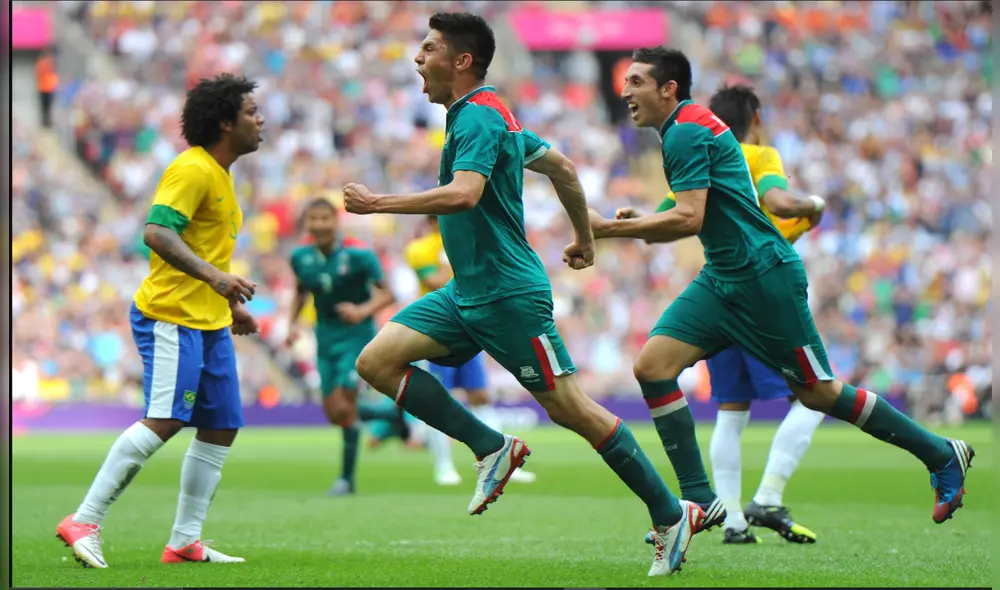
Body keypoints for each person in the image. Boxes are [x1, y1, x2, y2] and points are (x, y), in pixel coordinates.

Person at [344, 12, 701, 577]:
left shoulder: (480, 120)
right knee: (377, 361)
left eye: (429, 48)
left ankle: (669, 513)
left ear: (461, 61)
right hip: (467, 293)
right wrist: (585, 235)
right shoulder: (491, 114)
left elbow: (465, 194)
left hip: (508, 295)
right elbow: (560, 165)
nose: (417, 58)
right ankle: (491, 447)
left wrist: (378, 204)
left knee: (572, 409)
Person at [588, 48, 975, 537]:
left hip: (763, 278)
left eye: (637, 82)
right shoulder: (687, 127)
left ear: (669, 89)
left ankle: (942, 453)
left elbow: (689, 217)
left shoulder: (685, 131)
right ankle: (702, 502)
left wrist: (606, 230)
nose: (625, 93)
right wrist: (634, 224)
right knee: (653, 367)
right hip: (724, 277)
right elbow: (684, 216)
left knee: (817, 393)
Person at [56, 73, 265, 568]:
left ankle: (185, 541)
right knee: (169, 416)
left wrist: (228, 304)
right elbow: (156, 233)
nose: (261, 121)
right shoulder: (192, 169)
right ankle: (84, 518)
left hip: (208, 320)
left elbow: (199, 244)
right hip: (171, 316)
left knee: (221, 425)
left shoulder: (221, 173)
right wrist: (217, 279)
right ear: (224, 121)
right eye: (252, 112)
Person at [639, 85, 825, 545]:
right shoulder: (759, 156)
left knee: (731, 410)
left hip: (719, 296)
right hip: (761, 296)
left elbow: (668, 215)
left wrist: (622, 222)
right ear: (755, 118)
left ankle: (733, 522)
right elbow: (781, 206)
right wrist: (815, 206)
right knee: (815, 396)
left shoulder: (697, 149)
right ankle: (767, 496)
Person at [403, 215, 537, 486]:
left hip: (470, 326)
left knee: (481, 396)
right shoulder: (418, 249)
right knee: (440, 398)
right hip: (438, 330)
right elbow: (436, 283)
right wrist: (448, 257)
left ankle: (502, 462)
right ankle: (443, 467)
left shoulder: (468, 242)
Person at [286, 198, 405, 496]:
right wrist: (292, 324)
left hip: (357, 336)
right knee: (333, 413)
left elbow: (387, 294)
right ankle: (391, 416)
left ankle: (346, 480)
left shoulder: (359, 255)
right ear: (307, 224)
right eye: (314, 218)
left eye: (325, 218)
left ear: (336, 222)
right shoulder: (301, 257)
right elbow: (300, 291)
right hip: (325, 337)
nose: (320, 224)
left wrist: (362, 311)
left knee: (344, 405)